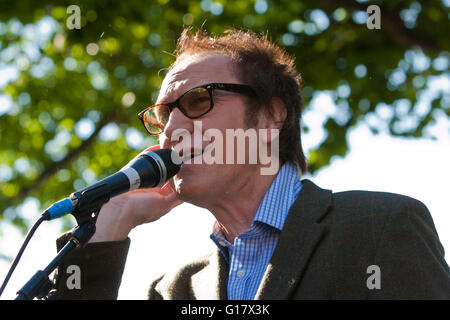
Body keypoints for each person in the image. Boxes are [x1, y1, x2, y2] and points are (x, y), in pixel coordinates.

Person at [50, 28, 450, 300]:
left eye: (197, 101)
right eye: (161, 115)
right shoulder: (175, 289)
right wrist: (111, 221)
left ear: (272, 117)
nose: (170, 128)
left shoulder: (381, 225)